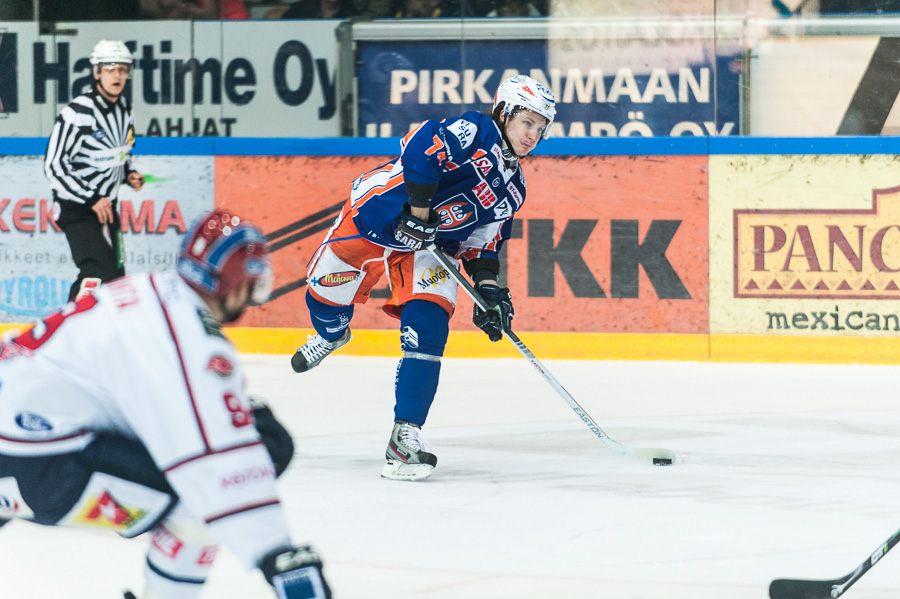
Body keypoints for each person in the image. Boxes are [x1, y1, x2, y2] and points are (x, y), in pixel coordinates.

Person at [0, 211, 331, 599]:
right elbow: (215, 458)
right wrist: (275, 550)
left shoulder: (146, 291)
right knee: (202, 496)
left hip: (22, 433)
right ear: (236, 284)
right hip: (35, 465)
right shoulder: (190, 336)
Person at [291, 75, 556, 481]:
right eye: (527, 123)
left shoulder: (514, 190)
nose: (533, 135)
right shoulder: (475, 130)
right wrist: (418, 213)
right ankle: (331, 335)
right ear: (504, 112)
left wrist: (490, 292)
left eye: (541, 128)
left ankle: (405, 435)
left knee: (429, 325)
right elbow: (421, 145)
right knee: (323, 300)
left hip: (431, 249)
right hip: (376, 217)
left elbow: (482, 245)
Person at [44, 40, 145, 303]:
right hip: (77, 208)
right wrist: (91, 197)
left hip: (107, 208)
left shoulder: (126, 112)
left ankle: (105, 338)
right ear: (97, 72)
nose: (117, 75)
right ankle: (67, 331)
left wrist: (128, 174)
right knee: (96, 272)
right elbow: (54, 165)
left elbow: (119, 154)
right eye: (110, 69)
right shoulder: (77, 113)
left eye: (123, 70)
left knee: (116, 278)